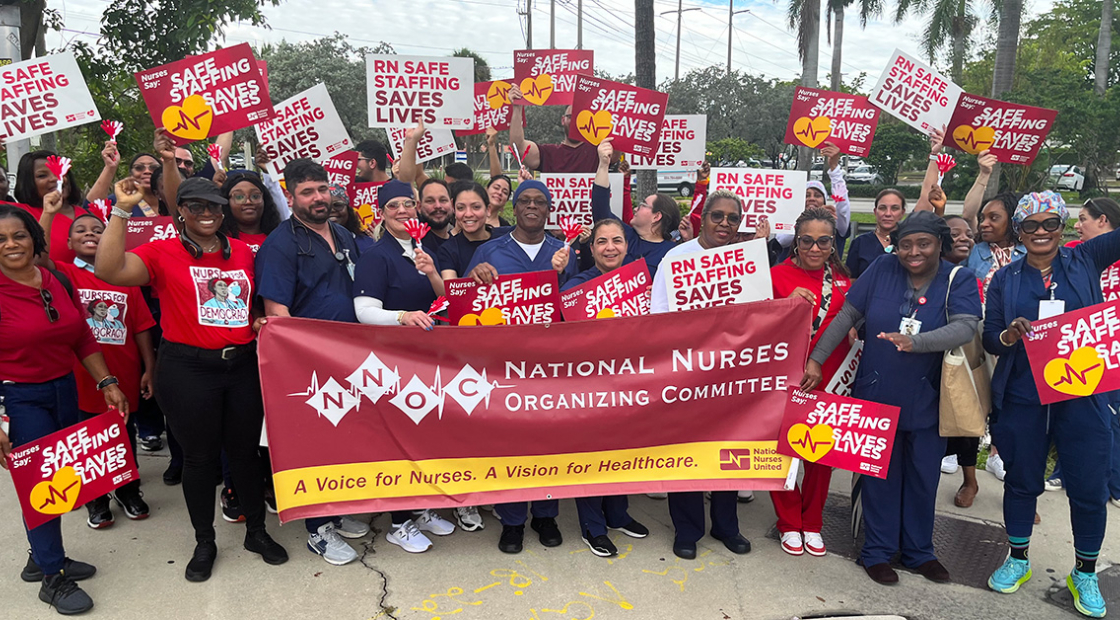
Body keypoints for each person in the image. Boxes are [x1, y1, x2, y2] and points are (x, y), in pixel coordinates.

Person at [95, 176, 288, 582]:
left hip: (242, 366)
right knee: (199, 459)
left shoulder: (243, 252)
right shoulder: (162, 252)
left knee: (245, 454)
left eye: (214, 206)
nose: (207, 214)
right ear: (180, 210)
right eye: (197, 206)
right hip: (188, 369)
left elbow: (256, 298)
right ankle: (205, 541)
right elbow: (109, 269)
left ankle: (256, 532)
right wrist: (121, 210)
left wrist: (257, 318)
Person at [804, 211, 981, 585]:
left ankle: (919, 552)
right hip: (878, 392)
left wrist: (916, 343)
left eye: (923, 244)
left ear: (939, 245)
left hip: (929, 398)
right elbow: (848, 314)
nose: (913, 252)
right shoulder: (882, 268)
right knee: (878, 478)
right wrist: (816, 360)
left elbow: (966, 327)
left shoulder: (957, 278)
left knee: (922, 477)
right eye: (905, 245)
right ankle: (877, 552)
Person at [983, 193, 1120, 618]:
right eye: (1031, 226)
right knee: (1022, 481)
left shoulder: (1085, 258)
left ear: (1062, 226)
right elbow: (990, 337)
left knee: (1088, 488)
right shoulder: (1005, 279)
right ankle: (1018, 558)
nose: (1041, 232)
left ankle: (1085, 572)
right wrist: (1009, 335)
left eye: (1050, 224)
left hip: (1083, 395)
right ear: (1019, 231)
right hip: (1024, 396)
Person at [0, 204, 129, 614]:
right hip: (18, 398)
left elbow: (81, 337)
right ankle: (53, 579)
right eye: (0, 239)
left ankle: (41, 557)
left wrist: (106, 381)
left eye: (18, 235)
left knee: (61, 478)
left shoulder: (53, 278)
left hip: (63, 390)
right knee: (41, 487)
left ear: (33, 238)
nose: (10, 245)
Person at [254, 158, 370, 565]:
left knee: (346, 443)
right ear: (290, 196)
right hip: (311, 366)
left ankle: (335, 513)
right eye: (307, 192)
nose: (318, 197)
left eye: (322, 188)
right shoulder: (280, 245)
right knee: (314, 448)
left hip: (353, 358)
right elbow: (276, 311)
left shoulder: (344, 234)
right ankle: (317, 531)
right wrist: (301, 363)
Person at [463, 180, 576, 553]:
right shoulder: (490, 250)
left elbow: (579, 308)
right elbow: (463, 307)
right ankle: (512, 521)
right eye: (524, 200)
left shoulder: (566, 251)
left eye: (539, 202)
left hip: (552, 367)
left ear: (549, 209)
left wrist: (561, 277)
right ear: (514, 206)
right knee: (508, 445)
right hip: (503, 369)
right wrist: (474, 278)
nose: (531, 207)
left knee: (550, 443)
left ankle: (545, 515)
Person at [351, 180, 457, 552]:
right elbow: (363, 312)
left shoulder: (426, 249)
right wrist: (402, 316)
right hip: (392, 362)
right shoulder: (376, 255)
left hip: (427, 360)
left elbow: (447, 299)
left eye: (408, 204)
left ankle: (419, 508)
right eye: (393, 205)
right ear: (382, 212)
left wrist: (430, 271)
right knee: (398, 444)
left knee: (425, 439)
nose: (402, 211)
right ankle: (398, 521)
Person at [649, 188, 755, 560]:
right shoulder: (676, 258)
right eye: (718, 216)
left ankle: (727, 526)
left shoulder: (746, 259)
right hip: (687, 373)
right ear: (703, 218)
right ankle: (687, 530)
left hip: (731, 374)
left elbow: (758, 314)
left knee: (727, 449)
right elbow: (657, 314)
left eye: (733, 218)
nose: (725, 224)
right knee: (688, 451)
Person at [43, 212, 157, 528]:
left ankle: (127, 490)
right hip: (82, 377)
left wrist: (150, 367)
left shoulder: (124, 277)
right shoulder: (63, 274)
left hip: (125, 373)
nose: (90, 233)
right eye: (80, 230)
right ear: (68, 242)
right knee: (86, 441)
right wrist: (50, 213)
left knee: (123, 436)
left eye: (98, 229)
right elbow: (38, 258)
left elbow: (142, 327)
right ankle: (96, 497)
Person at [561, 218, 651, 557]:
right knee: (591, 456)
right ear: (591, 247)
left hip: (629, 384)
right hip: (590, 387)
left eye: (616, 240)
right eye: (602, 241)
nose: (610, 247)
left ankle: (617, 514)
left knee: (622, 453)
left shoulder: (641, 282)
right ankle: (592, 526)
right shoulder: (577, 285)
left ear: (627, 245)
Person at [769, 207, 853, 557]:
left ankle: (813, 522)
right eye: (807, 241)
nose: (815, 249)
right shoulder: (774, 276)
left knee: (821, 456)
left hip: (832, 380)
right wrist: (783, 306)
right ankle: (788, 522)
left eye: (823, 241)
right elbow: (752, 327)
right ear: (796, 240)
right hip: (786, 377)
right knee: (783, 452)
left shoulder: (846, 283)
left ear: (833, 244)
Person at [1046, 198, 1120, 499]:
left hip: (1113, 347)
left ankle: (1111, 482)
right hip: (1081, 346)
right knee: (1072, 410)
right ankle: (1064, 473)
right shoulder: (1074, 254)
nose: (1078, 226)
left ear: (1103, 221)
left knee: (1111, 416)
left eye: (1083, 218)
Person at [935, 214, 985, 508]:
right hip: (929, 358)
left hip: (963, 357)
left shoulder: (969, 275)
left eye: (969, 233)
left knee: (965, 421)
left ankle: (970, 480)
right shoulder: (924, 271)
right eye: (956, 233)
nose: (965, 238)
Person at [592, 138, 679, 277]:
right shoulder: (624, 236)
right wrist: (603, 165)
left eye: (643, 205)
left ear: (657, 216)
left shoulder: (673, 254)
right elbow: (600, 209)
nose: (635, 209)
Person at [14, 150, 89, 264]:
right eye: (42, 175)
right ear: (27, 181)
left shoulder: (86, 215)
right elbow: (36, 262)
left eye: (60, 172)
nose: (55, 179)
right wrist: (48, 214)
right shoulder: (16, 215)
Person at [508, 85, 605, 173]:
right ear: (563, 120)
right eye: (571, 117)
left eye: (580, 117)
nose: (575, 121)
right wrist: (517, 108)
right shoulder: (549, 154)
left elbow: (616, 149)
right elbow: (518, 148)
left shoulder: (598, 151)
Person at [438, 182, 501, 281]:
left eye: (476, 207)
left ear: (488, 210)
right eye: (461, 208)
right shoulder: (448, 251)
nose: (468, 214)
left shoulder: (505, 239)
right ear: (454, 210)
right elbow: (451, 291)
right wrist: (470, 280)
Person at [845, 189, 906, 279]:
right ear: (875, 211)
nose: (888, 214)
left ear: (902, 213)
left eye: (894, 208)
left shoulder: (908, 243)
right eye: (882, 208)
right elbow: (850, 280)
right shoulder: (860, 243)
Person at [220, 171, 282, 254]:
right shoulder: (219, 240)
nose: (248, 202)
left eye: (255, 196)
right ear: (227, 202)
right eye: (239, 197)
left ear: (264, 200)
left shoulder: (279, 238)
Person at [327, 183, 376, 252]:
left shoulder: (369, 244)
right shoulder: (309, 245)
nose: (332, 210)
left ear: (348, 209)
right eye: (326, 206)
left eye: (338, 205)